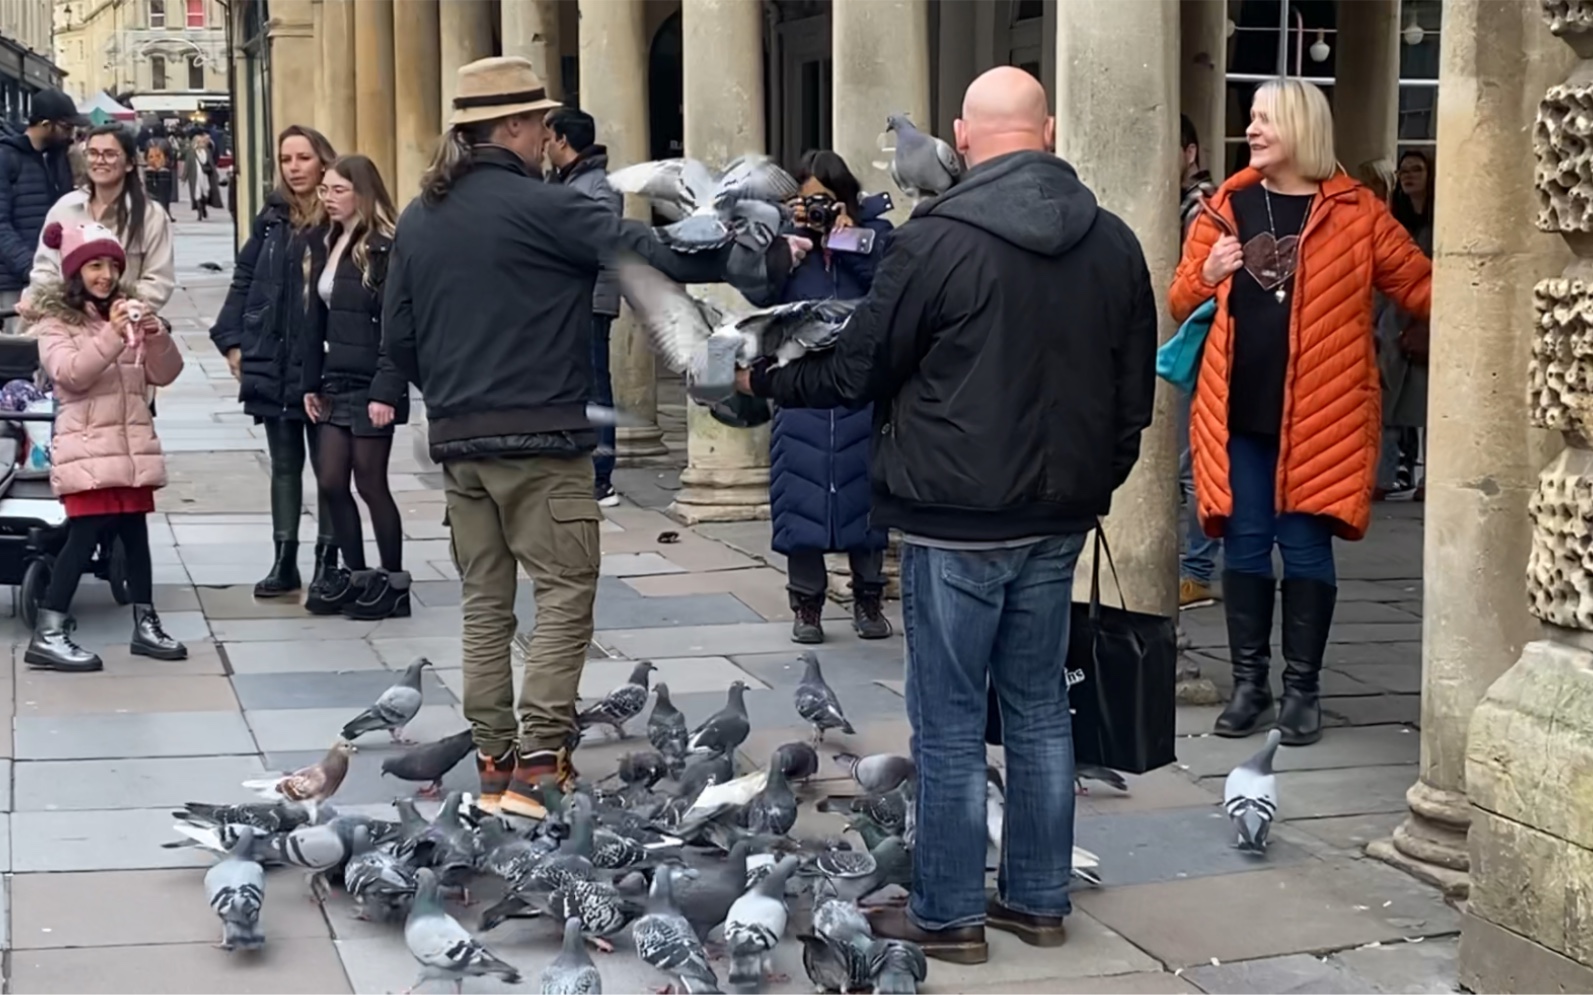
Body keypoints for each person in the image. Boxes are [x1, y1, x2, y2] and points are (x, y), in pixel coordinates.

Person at [739, 66, 1157, 962]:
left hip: (953, 515)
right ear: (1045, 132)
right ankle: (1039, 901)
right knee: (1043, 708)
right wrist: (1095, 484)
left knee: (951, 715)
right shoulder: (1114, 240)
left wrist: (766, 379)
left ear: (963, 140)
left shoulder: (938, 239)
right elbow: (1134, 394)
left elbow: (858, 370)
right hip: (1056, 517)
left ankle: (950, 913)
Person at [371, 56, 801, 820]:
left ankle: (497, 764)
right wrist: (764, 249)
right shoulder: (548, 207)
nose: (547, 134)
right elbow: (662, 252)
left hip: (462, 443)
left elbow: (397, 337)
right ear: (509, 127)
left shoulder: (420, 215)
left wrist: (446, 394)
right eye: (538, 121)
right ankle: (540, 764)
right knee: (564, 597)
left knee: (484, 605)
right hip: (542, 439)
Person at [1170, 79, 1432, 748]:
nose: (1251, 130)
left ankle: (1302, 689)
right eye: (1251, 119)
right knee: (1246, 544)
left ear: (1300, 129)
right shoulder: (1224, 205)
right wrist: (1208, 274)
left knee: (1307, 546)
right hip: (1236, 410)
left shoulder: (1357, 213)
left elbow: (1421, 286)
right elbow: (1178, 299)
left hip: (1325, 414)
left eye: (1264, 120)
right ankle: (1250, 684)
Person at [23, 221, 185, 672]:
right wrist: (113, 335)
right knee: (85, 533)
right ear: (76, 272)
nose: (105, 275)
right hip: (88, 446)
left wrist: (155, 334)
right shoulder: (57, 323)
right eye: (94, 266)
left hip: (130, 443)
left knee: (135, 531)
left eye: (112, 265)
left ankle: (146, 623)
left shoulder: (126, 311)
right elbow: (71, 373)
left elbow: (165, 372)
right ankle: (49, 630)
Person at [209, 125, 340, 602]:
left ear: (323, 161)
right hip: (273, 357)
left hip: (324, 360)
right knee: (284, 464)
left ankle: (330, 558)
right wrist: (232, 341)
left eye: (303, 158)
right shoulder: (271, 219)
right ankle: (284, 560)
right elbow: (244, 280)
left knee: (330, 467)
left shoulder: (339, 219)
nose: (294, 167)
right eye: (287, 159)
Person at [768, 149, 893, 643]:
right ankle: (807, 606)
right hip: (801, 383)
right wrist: (786, 247)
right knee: (798, 494)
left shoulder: (874, 235)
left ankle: (868, 598)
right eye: (806, 202)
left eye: (824, 200)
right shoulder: (787, 240)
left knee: (866, 494)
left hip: (860, 384)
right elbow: (762, 295)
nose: (815, 210)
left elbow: (889, 291)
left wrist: (845, 239)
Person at [301, 154, 408, 619]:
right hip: (335, 379)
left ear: (362, 193)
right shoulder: (328, 242)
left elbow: (397, 325)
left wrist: (388, 388)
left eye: (337, 190)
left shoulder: (383, 248)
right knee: (329, 480)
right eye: (324, 190)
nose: (327, 198)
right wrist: (310, 382)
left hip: (371, 383)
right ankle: (358, 573)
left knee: (370, 482)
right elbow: (315, 319)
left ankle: (392, 580)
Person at [543, 107, 622, 507]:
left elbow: (602, 244)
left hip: (590, 299)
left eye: (549, 138)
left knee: (595, 384)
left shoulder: (598, 186)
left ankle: (602, 475)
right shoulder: (565, 181)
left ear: (562, 140)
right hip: (567, 297)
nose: (544, 146)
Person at [30, 124, 175, 311]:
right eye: (92, 153)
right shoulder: (65, 208)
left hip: (123, 322)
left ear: (130, 163)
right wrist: (64, 305)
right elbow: (44, 268)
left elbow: (159, 281)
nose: (99, 161)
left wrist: (115, 307)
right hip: (66, 319)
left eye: (110, 154)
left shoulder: (151, 215)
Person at [1176, 114, 1221, 610]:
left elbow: (1193, 290)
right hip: (1182, 348)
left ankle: (1196, 569)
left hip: (1196, 350)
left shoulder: (1202, 209)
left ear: (1190, 153)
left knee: (1192, 467)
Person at [0, 89, 81, 333]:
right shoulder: (7, 158)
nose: (71, 134)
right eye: (66, 127)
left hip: (53, 278)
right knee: (18, 354)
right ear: (46, 125)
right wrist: (32, 267)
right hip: (13, 281)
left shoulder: (59, 158)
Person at [1381, 148, 1435, 501]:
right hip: (1392, 319)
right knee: (1386, 400)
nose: (1409, 176)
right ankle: (1382, 477)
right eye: (1403, 172)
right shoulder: (1394, 221)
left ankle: (1431, 479)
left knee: (1432, 405)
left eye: (1416, 170)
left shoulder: (1440, 221)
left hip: (1430, 318)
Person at [184, 131, 219, 221]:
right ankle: (199, 213)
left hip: (205, 175)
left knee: (206, 192)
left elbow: (211, 163)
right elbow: (187, 165)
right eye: (199, 142)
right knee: (197, 193)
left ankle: (203, 208)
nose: (201, 144)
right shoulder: (191, 153)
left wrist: (215, 174)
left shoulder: (207, 152)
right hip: (195, 176)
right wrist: (184, 177)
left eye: (202, 142)